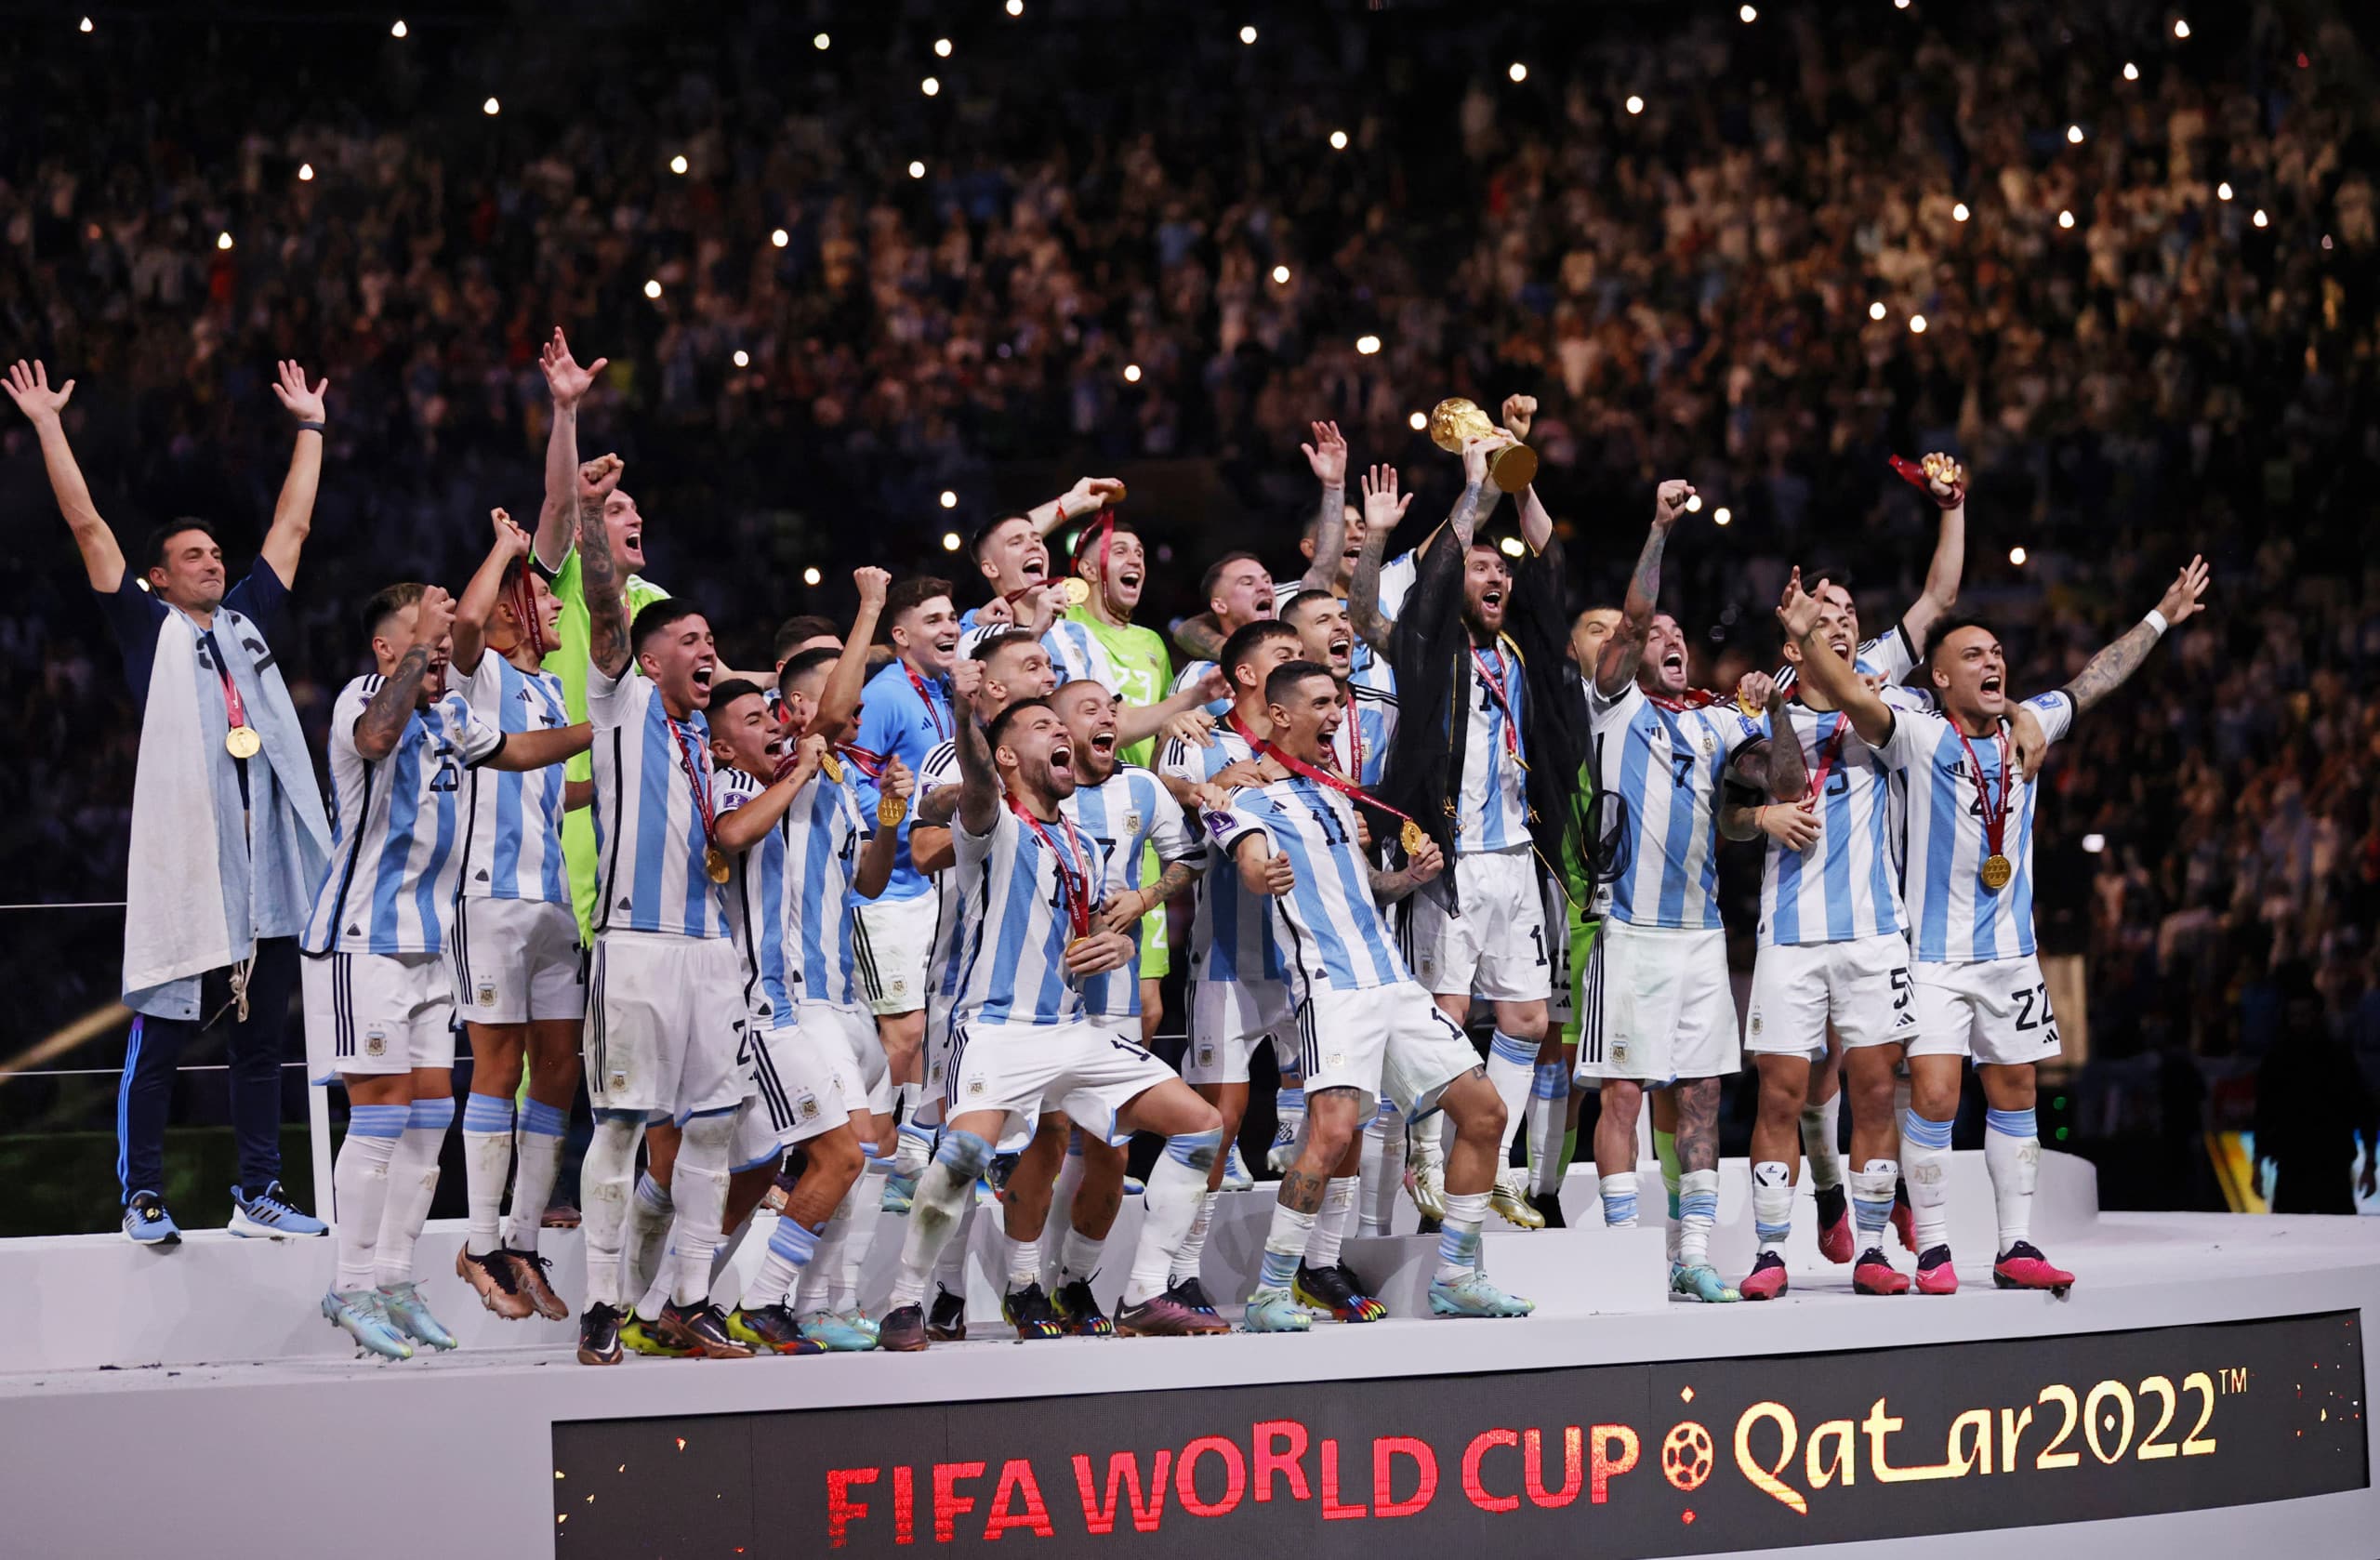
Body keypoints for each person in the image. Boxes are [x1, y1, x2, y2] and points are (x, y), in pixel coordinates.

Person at [1783, 557, 2211, 1293]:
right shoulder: (1917, 732)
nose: (1994, 661)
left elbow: (2097, 679)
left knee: (2018, 1090)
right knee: (1939, 1096)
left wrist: (2162, 616)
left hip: (2012, 955)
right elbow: (1854, 693)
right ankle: (1938, 1250)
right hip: (1934, 956)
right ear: (1940, 678)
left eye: (1997, 653)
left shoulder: (2028, 725)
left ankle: (2016, 1244)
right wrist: (1806, 636)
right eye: (1974, 654)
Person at [7, 357, 335, 1246]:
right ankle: (142, 1196)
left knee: (262, 1043)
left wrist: (309, 426)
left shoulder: (248, 624)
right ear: (157, 578)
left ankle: (258, 1192)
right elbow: (85, 522)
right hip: (192, 869)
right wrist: (46, 424)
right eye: (193, 556)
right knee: (159, 1040)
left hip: (264, 867)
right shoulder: (147, 629)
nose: (213, 561)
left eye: (216, 553)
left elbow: (294, 523)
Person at [874, 691, 1226, 1351]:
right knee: (963, 1156)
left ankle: (1145, 1292)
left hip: (1071, 1029)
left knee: (1202, 1128)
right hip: (996, 1030)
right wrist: (964, 716)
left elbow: (1097, 928)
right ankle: (902, 1304)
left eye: (1063, 728)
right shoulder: (992, 822)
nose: (1063, 735)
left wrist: (1121, 943)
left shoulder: (1079, 843)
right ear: (1007, 755)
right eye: (1045, 727)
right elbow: (977, 782)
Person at [301, 582, 588, 1357]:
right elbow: (375, 739)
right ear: (388, 650)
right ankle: (350, 1284)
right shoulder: (366, 699)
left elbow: (523, 752)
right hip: (363, 939)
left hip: (431, 944)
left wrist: (612, 731)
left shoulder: (449, 715)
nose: (436, 656)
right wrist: (431, 646)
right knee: (382, 1115)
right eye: (419, 639)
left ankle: (394, 1279)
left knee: (430, 1121)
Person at [1215, 661, 1534, 1326]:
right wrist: (1261, 871)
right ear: (1280, 715)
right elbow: (1249, 863)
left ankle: (1456, 1276)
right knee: (1330, 1136)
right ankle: (1272, 1291)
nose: (1337, 715)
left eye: (1339, 702)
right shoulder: (1241, 800)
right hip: (1334, 990)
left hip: (1393, 983)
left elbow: (1363, 889)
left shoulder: (1333, 795)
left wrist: (1407, 878)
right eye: (1323, 704)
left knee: (1485, 1114)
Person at [1363, 443, 1589, 1236]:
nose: (1495, 579)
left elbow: (1553, 573)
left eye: (1503, 571)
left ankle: (1488, 1170)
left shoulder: (1523, 653)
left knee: (1527, 1022)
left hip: (1517, 861)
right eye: (1480, 568)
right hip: (1448, 863)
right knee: (1446, 1018)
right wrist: (1474, 489)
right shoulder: (1430, 652)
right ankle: (1430, 1165)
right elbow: (1418, 593)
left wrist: (1518, 481)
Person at [569, 455, 749, 1365]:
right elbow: (606, 610)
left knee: (710, 1128)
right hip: (635, 944)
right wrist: (594, 516)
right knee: (623, 1124)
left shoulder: (718, 738)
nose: (705, 647)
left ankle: (691, 1298)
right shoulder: (621, 696)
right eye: (688, 637)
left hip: (711, 948)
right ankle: (603, 1302)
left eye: (712, 638)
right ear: (649, 657)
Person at [1574, 479, 1763, 1304]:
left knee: (1702, 1096)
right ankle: (1621, 1255)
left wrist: (1771, 711)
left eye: (1684, 634)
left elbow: (1775, 783)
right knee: (1623, 1090)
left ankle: (1692, 1254)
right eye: (1661, 634)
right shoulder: (1610, 704)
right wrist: (1657, 527)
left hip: (1700, 935)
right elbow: (1636, 617)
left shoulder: (1717, 719)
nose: (1671, 638)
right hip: (1631, 930)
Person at [446, 509, 583, 1324]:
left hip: (552, 900)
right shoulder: (481, 673)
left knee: (558, 1069)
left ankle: (525, 1239)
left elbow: (543, 789)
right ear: (511, 609)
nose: (558, 608)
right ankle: (479, 1240)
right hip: (490, 897)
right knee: (497, 1067)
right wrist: (506, 547)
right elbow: (463, 621)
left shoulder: (547, 687)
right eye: (543, 595)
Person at [1038, 678, 1203, 1331]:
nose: (1108, 719)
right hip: (1035, 1003)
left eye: (1113, 709)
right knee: (1043, 1143)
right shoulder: (1033, 794)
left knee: (1111, 1149)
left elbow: (1188, 858)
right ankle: (993, 1286)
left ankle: (1076, 1283)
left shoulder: (1141, 788)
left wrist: (1145, 898)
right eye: (1090, 710)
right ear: (1054, 728)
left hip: (1111, 1002)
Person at [1158, 619, 1304, 1299]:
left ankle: (1312, 1265)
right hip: (1228, 959)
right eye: (1284, 654)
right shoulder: (1201, 732)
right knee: (1220, 1121)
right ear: (1246, 674)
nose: (1298, 662)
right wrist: (1218, 780)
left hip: (1308, 962)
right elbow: (1176, 798)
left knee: (1335, 1120)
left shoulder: (1311, 745)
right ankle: (1182, 1272)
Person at [524, 330, 674, 945]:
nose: (633, 516)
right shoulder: (563, 580)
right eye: (615, 509)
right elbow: (560, 504)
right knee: (560, 993)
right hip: (569, 808)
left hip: (644, 810)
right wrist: (566, 411)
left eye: (634, 509)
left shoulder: (656, 603)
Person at [848, 576, 965, 1198]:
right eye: (936, 619)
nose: (950, 628)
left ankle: (907, 1160)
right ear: (900, 635)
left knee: (928, 1029)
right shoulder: (888, 694)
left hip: (932, 888)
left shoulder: (942, 690)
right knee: (905, 1032)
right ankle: (861, 1158)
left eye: (953, 618)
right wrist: (904, 820)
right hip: (887, 885)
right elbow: (852, 776)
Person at [2253, 963, 2380, 1214]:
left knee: (2338, 1244)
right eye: (2294, 1015)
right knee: (2285, 1244)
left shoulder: (2338, 1058)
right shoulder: (2278, 1060)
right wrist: (2257, 1167)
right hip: (2291, 1166)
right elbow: (2264, 1113)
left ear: (2317, 1016)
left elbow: (2364, 1110)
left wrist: (2369, 1165)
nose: (2299, 1021)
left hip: (2332, 1167)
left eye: (2304, 1014)